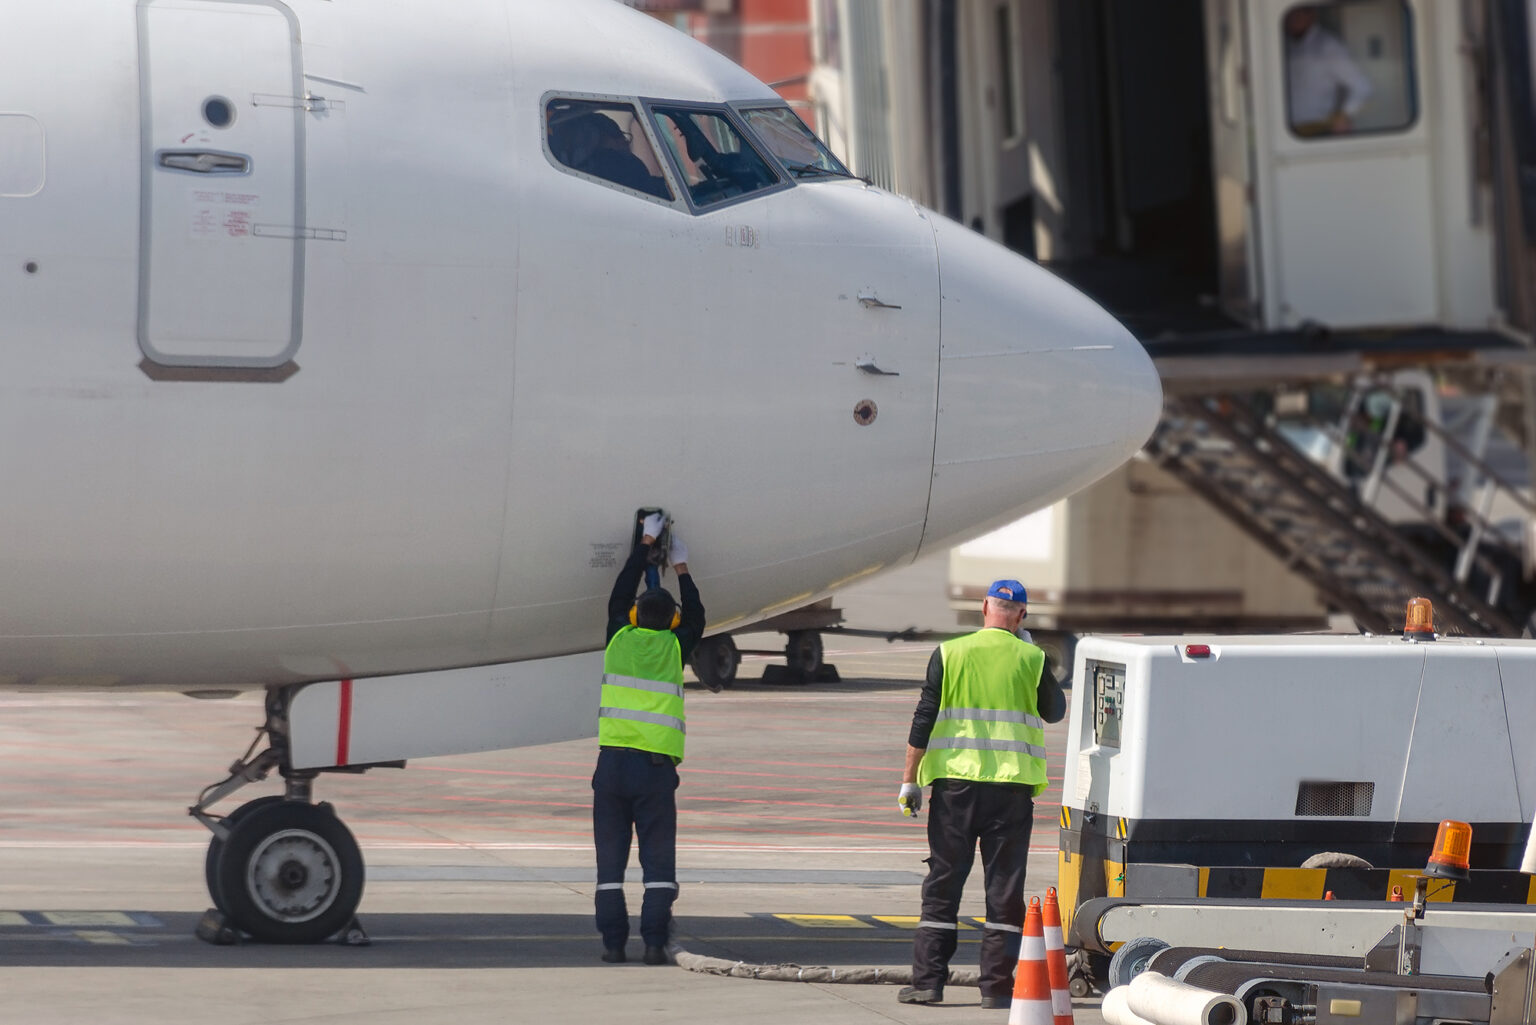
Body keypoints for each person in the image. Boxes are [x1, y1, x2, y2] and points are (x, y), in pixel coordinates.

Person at [895, 580, 1066, 1008]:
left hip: (955, 789)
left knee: (944, 881)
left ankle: (928, 983)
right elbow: (1055, 711)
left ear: (984, 607)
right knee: (1004, 890)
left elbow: (924, 716)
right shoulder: (1031, 657)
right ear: (1022, 616)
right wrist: (1031, 654)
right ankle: (996, 989)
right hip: (1010, 790)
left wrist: (909, 779)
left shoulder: (950, 653)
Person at [592, 510, 705, 965]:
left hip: (612, 768)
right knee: (658, 866)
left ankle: (612, 945)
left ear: (636, 616)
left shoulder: (618, 638)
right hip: (655, 772)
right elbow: (697, 614)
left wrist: (645, 544)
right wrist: (681, 566)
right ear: (674, 623)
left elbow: (620, 593)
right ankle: (655, 943)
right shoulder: (677, 647)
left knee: (610, 867)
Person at [1284, 5, 1372, 136]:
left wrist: (1344, 115)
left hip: (1317, 130)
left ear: (1311, 15)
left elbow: (1362, 87)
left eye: (1297, 14)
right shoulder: (1284, 44)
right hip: (1285, 130)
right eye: (1290, 14)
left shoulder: (1327, 46)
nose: (1291, 19)